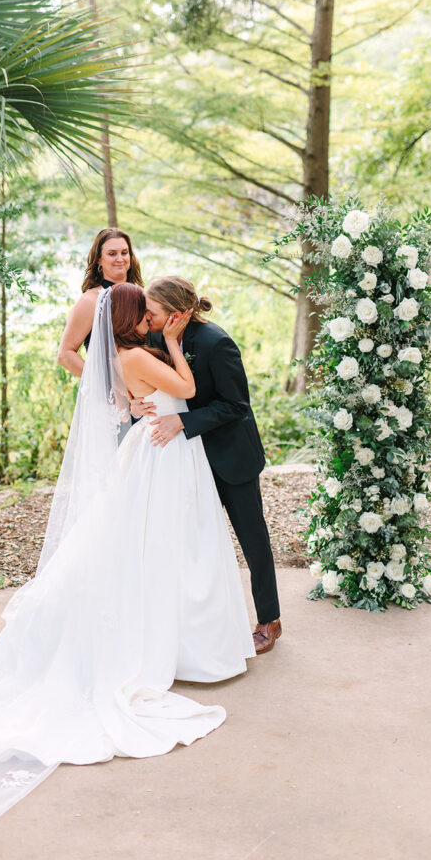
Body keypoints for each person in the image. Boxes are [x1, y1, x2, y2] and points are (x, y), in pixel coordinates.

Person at [0, 284, 254, 829]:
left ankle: (176, 634)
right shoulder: (136, 353)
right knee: (162, 549)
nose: (157, 322)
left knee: (155, 548)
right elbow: (182, 386)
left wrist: (139, 401)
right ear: (137, 319)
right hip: (164, 457)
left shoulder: (115, 356)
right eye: (150, 315)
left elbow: (123, 403)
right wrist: (176, 347)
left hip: (156, 453)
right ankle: (174, 639)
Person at [134, 276, 282, 654]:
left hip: (231, 456)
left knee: (252, 538)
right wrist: (135, 407)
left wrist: (184, 421)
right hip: (188, 461)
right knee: (197, 541)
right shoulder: (153, 338)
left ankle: (270, 620)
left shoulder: (217, 343)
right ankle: (204, 623)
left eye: (152, 313)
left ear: (178, 316)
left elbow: (237, 405)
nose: (146, 318)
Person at [56, 227, 143, 377]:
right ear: (99, 259)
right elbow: (65, 355)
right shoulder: (91, 301)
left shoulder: (142, 294)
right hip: (110, 396)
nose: (120, 259)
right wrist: (106, 387)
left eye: (124, 252)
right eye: (111, 254)